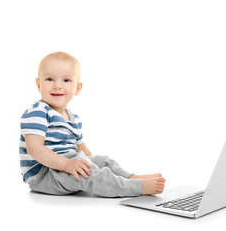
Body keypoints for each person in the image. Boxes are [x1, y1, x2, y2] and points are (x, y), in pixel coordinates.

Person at [19, 51, 166, 197]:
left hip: (68, 164)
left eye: (66, 80)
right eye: (50, 79)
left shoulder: (73, 117)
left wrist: (92, 163)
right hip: (44, 173)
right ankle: (135, 187)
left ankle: (131, 178)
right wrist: (67, 165)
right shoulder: (38, 112)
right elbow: (35, 149)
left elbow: (82, 149)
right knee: (88, 174)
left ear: (77, 88)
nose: (57, 85)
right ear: (38, 84)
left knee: (103, 161)